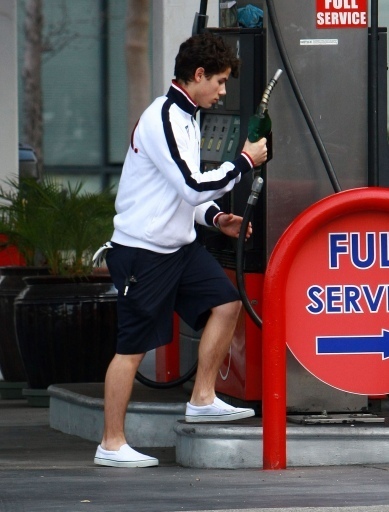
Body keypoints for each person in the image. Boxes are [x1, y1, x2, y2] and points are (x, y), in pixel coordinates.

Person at [93, 32, 267, 468]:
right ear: (199, 75)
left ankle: (203, 397)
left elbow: (179, 194)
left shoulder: (189, 115)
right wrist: (243, 163)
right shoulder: (166, 117)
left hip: (178, 248)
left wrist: (215, 218)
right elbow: (191, 185)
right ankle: (111, 444)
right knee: (131, 349)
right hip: (143, 253)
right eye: (221, 81)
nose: (224, 92)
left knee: (228, 304)